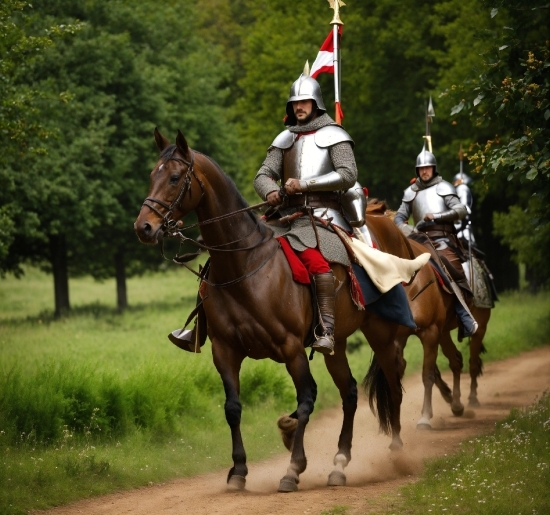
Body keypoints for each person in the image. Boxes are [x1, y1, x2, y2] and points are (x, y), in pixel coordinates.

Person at [253, 68, 366, 355]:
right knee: (242, 248)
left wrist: (303, 184)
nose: (298, 107)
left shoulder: (334, 135)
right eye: (294, 103)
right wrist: (271, 191)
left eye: (304, 102)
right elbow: (262, 175)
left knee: (318, 264)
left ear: (316, 103)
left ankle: (326, 329)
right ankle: (206, 326)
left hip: (323, 217)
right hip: (284, 217)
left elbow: (348, 174)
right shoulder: (285, 139)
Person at [394, 149, 478, 337]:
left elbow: (461, 210)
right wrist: (409, 230)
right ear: (417, 170)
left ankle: (464, 314)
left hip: (442, 238)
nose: (425, 171)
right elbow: (399, 217)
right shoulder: (411, 192)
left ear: (433, 169)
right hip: (417, 239)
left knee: (450, 266)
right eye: (421, 168)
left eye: (428, 168)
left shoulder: (444, 187)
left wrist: (438, 216)